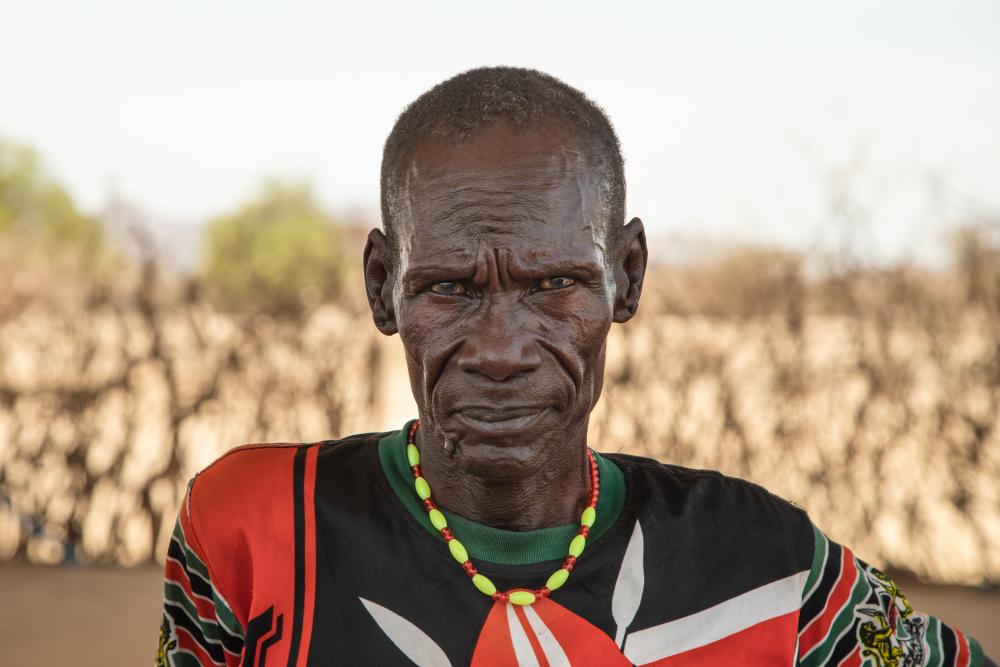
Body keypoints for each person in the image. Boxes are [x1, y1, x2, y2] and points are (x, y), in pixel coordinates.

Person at [157, 66, 993, 667]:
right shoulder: (254, 533)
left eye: (554, 284)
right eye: (448, 288)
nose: (500, 348)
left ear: (625, 276)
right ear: (383, 289)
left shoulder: (760, 565)